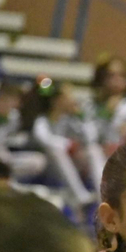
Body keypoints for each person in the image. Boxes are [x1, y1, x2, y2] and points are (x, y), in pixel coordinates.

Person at [22, 77, 100, 208]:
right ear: (56, 101)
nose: (73, 100)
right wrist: (68, 144)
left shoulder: (71, 120)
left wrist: (81, 117)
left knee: (93, 149)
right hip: (48, 167)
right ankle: (80, 195)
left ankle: (102, 194)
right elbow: (43, 139)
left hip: (72, 165)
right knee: (56, 150)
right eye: (68, 96)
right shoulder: (42, 120)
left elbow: (90, 138)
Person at [0, 82, 48, 182]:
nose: (17, 104)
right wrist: (3, 120)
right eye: (12, 99)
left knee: (39, 160)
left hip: (3, 158)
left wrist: (20, 139)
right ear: (0, 97)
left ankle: (2, 178)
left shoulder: (14, 116)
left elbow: (8, 140)